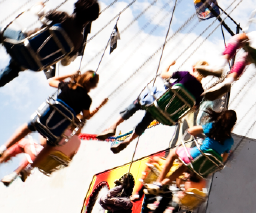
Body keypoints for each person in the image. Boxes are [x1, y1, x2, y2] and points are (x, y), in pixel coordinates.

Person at [0, 0, 101, 105]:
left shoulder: (63, 17)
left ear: (76, 8)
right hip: (35, 64)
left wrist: (40, 5)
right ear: (90, 20)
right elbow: (65, 62)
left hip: (23, 45)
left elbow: (37, 11)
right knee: (14, 68)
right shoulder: (79, 42)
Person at [0, 70, 106, 185]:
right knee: (49, 146)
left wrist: (71, 75)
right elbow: (87, 116)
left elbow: (51, 81)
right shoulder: (86, 101)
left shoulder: (67, 86)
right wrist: (98, 108)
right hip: (52, 146)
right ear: (93, 86)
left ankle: (2, 149)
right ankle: (27, 170)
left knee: (26, 131)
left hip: (44, 120)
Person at [95, 60, 223, 153]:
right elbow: (194, 108)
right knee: (148, 118)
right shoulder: (200, 92)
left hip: (159, 103)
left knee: (137, 102)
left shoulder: (185, 75)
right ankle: (128, 141)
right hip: (169, 115)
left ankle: (113, 126)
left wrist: (169, 65)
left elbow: (163, 75)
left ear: (195, 68)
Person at [152, 108, 238, 188]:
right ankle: (162, 184)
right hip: (203, 167)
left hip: (194, 156)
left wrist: (202, 134)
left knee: (173, 153)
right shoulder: (230, 141)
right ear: (232, 125)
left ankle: (158, 181)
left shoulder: (212, 127)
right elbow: (223, 159)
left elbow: (191, 131)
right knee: (184, 166)